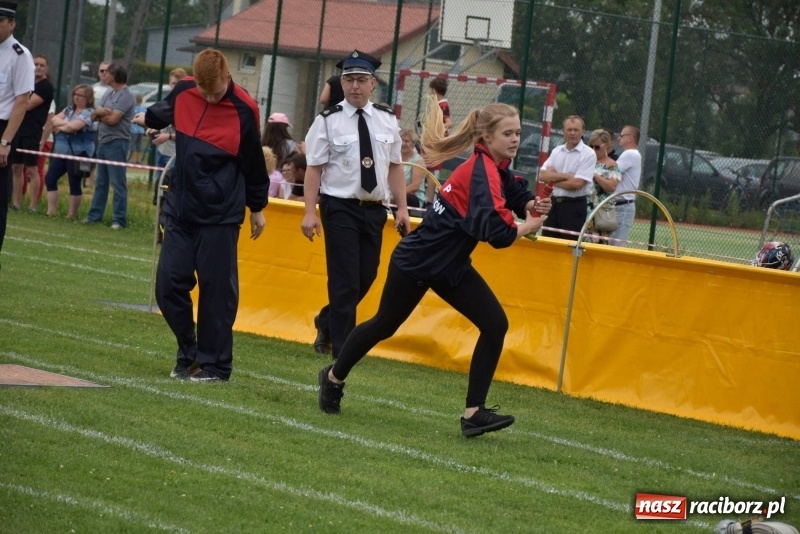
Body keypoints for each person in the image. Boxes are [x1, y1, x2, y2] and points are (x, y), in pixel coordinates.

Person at [317, 96, 551, 439]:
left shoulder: (492, 166)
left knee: (495, 323)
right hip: (418, 262)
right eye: (508, 134)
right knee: (384, 324)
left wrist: (530, 202)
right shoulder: (481, 171)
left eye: (517, 133)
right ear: (486, 138)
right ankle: (333, 377)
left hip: (449, 264)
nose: (515, 139)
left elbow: (510, 189)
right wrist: (530, 224)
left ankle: (474, 414)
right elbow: (498, 234)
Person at [132, 48, 269, 382]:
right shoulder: (184, 91)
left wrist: (258, 208)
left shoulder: (245, 109)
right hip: (180, 207)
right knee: (167, 285)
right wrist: (147, 119)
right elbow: (161, 112)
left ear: (228, 78)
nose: (208, 98)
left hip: (221, 214)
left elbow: (253, 161)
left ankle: (215, 365)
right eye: (203, 92)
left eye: (216, 92)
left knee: (217, 292)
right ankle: (190, 351)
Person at [301, 49, 410, 359]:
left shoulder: (387, 119)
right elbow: (314, 168)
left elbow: (395, 166)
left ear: (373, 83)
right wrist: (310, 211)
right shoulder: (328, 121)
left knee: (367, 275)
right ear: (342, 83)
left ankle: (327, 320)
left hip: (375, 209)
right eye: (349, 80)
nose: (355, 87)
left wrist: (401, 207)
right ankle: (343, 349)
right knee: (345, 278)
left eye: (361, 80)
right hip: (340, 207)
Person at [0, 1, 35, 260]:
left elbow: (22, 101)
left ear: (11, 23)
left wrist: (5, 141)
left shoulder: (19, 54)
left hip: (2, 126)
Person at [85, 62, 135, 229]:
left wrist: (100, 115)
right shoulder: (108, 92)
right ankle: (94, 217)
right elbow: (95, 113)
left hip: (117, 143)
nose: (104, 75)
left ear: (115, 76)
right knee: (101, 182)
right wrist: (100, 113)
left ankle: (119, 220)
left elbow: (113, 120)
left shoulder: (126, 96)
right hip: (103, 141)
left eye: (107, 72)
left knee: (118, 183)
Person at [538, 115, 596, 239]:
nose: (572, 133)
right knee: (548, 244)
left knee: (569, 246)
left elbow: (577, 184)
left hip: (573, 207)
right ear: (564, 132)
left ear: (582, 132)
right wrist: (567, 176)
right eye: (569, 130)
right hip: (553, 205)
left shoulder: (588, 154)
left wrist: (552, 178)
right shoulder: (556, 151)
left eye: (576, 130)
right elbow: (542, 175)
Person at [44, 84, 95, 219]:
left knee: (74, 182)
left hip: (79, 152)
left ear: (88, 97)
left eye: (80, 95)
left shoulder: (90, 113)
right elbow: (54, 119)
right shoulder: (68, 110)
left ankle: (71, 215)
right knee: (50, 178)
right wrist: (65, 126)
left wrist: (62, 126)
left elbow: (73, 127)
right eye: (75, 94)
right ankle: (51, 211)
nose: (77, 97)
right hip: (62, 152)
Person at [11, 53, 53, 212]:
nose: (38, 67)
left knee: (31, 168)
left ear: (46, 68)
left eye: (42, 65)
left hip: (32, 132)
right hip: (18, 129)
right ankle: (16, 202)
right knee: (16, 166)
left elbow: (27, 105)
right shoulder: (26, 84)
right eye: (35, 64)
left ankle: (33, 205)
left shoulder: (45, 87)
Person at [147, 68, 187, 186]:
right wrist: (154, 128)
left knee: (169, 190)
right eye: (173, 83)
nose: (174, 87)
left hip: (175, 155)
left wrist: (169, 136)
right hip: (161, 151)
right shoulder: (168, 102)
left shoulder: (186, 105)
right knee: (158, 188)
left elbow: (186, 135)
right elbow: (165, 123)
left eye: (178, 83)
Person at [609, 125, 641, 246]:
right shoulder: (631, 154)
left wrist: (594, 167)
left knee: (615, 248)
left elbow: (612, 171)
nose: (618, 138)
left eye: (622, 135)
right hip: (620, 206)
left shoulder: (630, 154)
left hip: (623, 206)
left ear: (630, 138)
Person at [588, 129, 621, 243]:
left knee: (598, 243)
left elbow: (612, 186)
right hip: (584, 207)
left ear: (606, 146)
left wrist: (596, 176)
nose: (593, 150)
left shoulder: (611, 164)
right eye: (590, 146)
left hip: (600, 209)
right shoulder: (586, 160)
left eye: (597, 147)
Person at [398, 128, 427, 214]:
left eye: (407, 141)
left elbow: (415, 186)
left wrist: (395, 196)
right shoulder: (395, 157)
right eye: (401, 140)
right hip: (394, 192)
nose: (403, 143)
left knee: (406, 198)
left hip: (412, 196)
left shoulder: (418, 161)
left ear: (413, 143)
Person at [128, 93, 145, 163]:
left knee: (133, 144)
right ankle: (139, 159)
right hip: (141, 130)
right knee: (139, 144)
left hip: (133, 130)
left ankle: (134, 159)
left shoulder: (133, 109)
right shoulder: (143, 109)